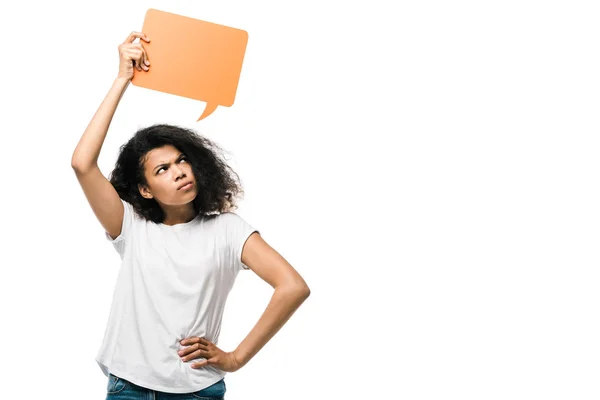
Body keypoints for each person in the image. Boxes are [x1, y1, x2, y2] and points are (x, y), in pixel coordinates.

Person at [71, 31, 311, 400]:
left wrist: (235, 358)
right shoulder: (131, 225)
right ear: (145, 189)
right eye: (162, 169)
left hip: (196, 390)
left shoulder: (228, 231)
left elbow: (293, 286)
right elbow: (82, 163)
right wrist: (122, 78)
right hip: (128, 387)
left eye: (182, 160)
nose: (179, 171)